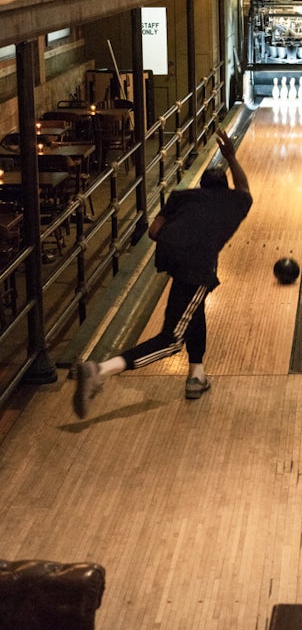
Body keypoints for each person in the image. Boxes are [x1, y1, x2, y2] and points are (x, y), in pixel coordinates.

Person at [73, 129, 252, 417]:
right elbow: (244, 188)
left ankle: (197, 374)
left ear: (202, 186)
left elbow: (154, 231)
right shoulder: (234, 201)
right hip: (197, 263)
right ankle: (100, 370)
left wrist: (182, 235)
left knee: (194, 310)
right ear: (223, 187)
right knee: (171, 340)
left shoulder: (182, 196)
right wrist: (230, 155)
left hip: (171, 256)